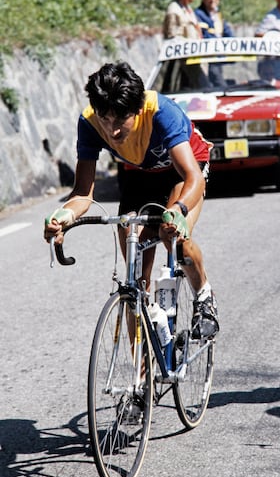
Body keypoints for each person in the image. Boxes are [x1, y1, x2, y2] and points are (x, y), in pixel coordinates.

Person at [44, 61, 219, 339]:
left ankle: (204, 296)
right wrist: (63, 217)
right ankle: (142, 374)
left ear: (137, 110)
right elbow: (81, 194)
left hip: (183, 172)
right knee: (135, 281)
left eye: (120, 120)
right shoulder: (89, 122)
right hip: (141, 175)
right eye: (105, 119)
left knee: (171, 236)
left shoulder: (161, 112)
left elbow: (192, 178)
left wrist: (177, 211)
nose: (112, 131)